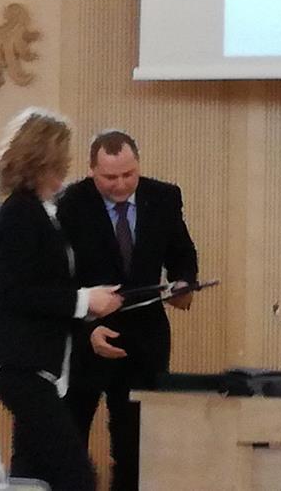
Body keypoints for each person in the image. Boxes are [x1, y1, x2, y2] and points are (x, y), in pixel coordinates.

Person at [0, 108, 122, 491]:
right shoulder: (20, 214)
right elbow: (17, 292)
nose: (66, 165)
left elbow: (48, 284)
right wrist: (84, 301)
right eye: (60, 157)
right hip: (21, 365)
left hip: (42, 364)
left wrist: (91, 306)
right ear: (42, 160)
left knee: (31, 474)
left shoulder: (44, 212)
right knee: (76, 475)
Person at [57, 129, 198, 491]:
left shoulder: (163, 197)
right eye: (109, 177)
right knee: (69, 443)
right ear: (91, 170)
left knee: (135, 449)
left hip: (144, 340)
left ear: (138, 166)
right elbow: (58, 280)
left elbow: (182, 254)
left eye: (128, 174)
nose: (120, 185)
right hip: (85, 337)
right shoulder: (70, 203)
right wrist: (87, 330)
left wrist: (184, 283)